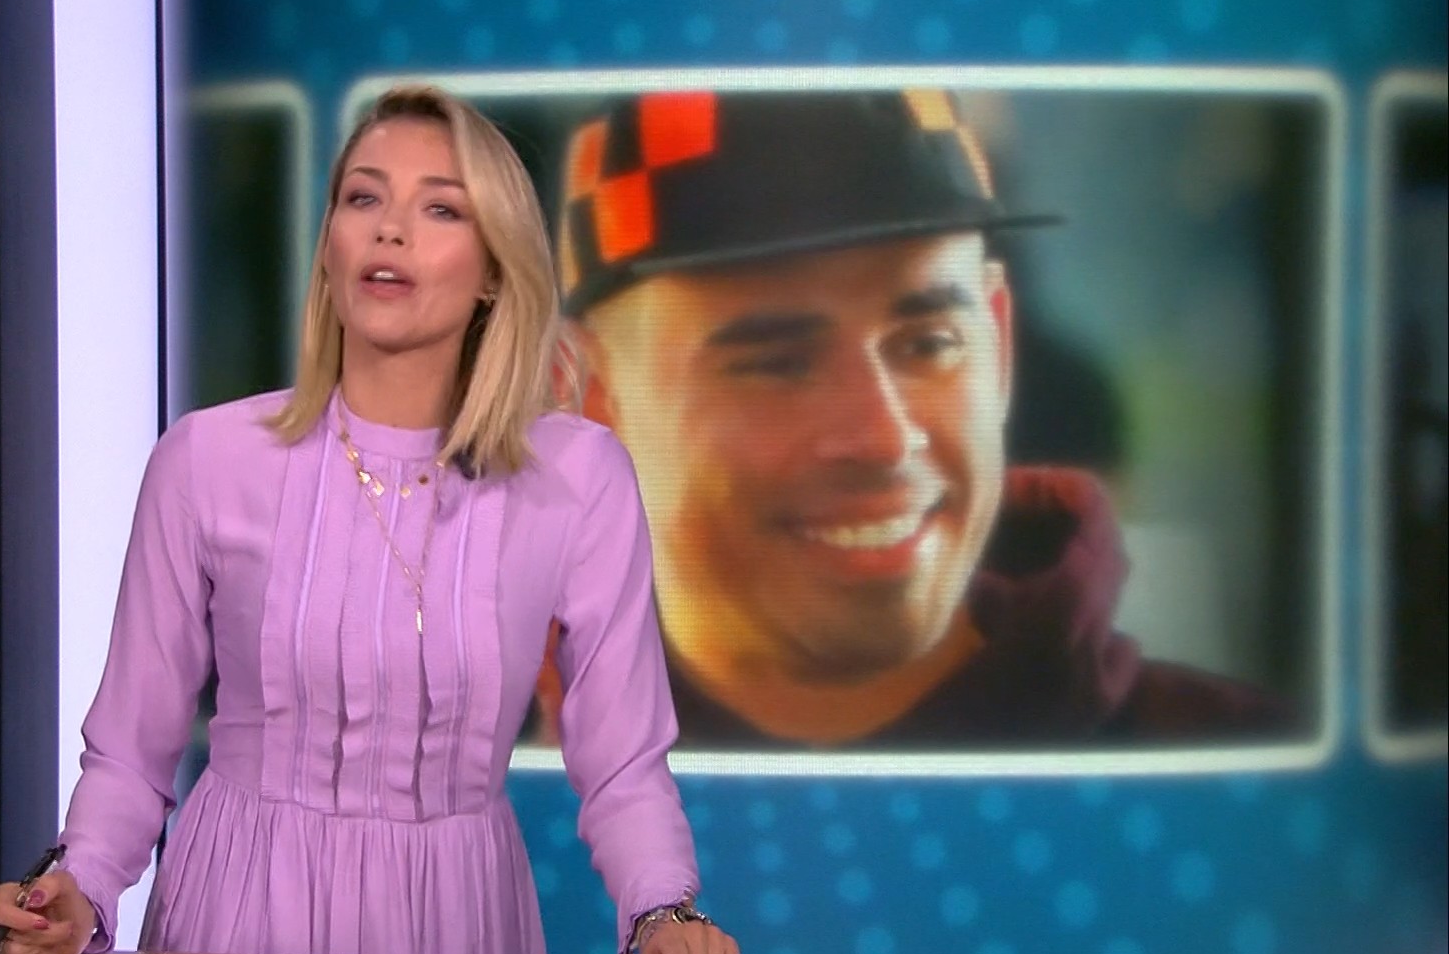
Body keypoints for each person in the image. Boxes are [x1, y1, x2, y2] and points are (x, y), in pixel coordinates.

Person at [0, 85, 740, 954]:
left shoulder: (579, 478)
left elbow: (622, 760)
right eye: (363, 198)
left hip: (460, 924)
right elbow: (130, 747)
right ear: (331, 244)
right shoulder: (207, 460)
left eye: (440, 209)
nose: (390, 230)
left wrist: (662, 909)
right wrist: (80, 887)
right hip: (240, 917)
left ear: (495, 268)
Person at [539, 88, 1288, 747]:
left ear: (998, 346)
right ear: (596, 401)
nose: (886, 437)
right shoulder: (486, 786)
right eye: (779, 364)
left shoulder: (1244, 769)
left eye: (930, 344)